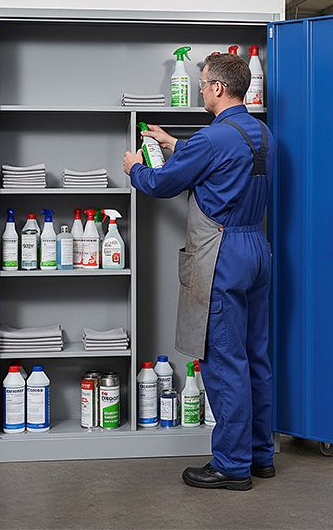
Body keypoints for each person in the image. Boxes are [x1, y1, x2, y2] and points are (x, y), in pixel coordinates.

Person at [123, 53, 275, 491]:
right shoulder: (260, 134)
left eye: (203, 82)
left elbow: (161, 184)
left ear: (218, 90)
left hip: (222, 254)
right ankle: (260, 455)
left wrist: (136, 168)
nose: (200, 88)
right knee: (255, 358)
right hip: (256, 250)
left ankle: (230, 465)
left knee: (225, 362)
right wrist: (174, 143)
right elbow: (221, 162)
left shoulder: (212, 139)